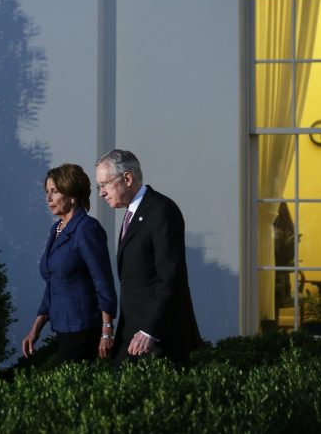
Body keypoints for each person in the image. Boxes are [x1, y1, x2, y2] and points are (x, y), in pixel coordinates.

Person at [94, 149, 202, 366]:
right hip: (132, 332)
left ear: (127, 178)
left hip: (158, 338)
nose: (101, 193)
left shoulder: (161, 211)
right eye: (99, 187)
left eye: (105, 184)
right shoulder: (133, 213)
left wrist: (149, 330)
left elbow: (170, 277)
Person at [22, 163, 118, 363]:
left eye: (54, 192)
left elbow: (103, 281)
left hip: (83, 327)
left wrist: (107, 331)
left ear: (72, 195)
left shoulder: (86, 229)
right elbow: (53, 283)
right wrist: (35, 329)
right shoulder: (56, 229)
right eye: (47, 192)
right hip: (63, 327)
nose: (48, 198)